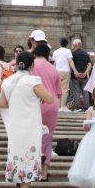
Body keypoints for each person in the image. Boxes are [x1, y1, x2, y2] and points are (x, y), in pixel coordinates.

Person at [0, 51, 55, 188]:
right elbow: (49, 98)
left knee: (17, 154)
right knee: (29, 156)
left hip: (15, 125)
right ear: (32, 65)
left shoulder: (8, 81)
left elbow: (3, 104)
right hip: (30, 125)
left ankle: (19, 186)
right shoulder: (33, 81)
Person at [31, 41, 61, 179]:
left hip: (35, 102)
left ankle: (33, 168)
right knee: (48, 137)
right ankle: (44, 173)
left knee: (32, 136)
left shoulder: (31, 65)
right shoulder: (54, 69)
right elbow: (59, 93)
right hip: (52, 104)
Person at [67, 38, 91, 111]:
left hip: (75, 76)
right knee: (85, 92)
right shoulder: (86, 54)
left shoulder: (72, 54)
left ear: (74, 45)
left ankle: (78, 107)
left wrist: (75, 71)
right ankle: (87, 107)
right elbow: (89, 65)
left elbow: (71, 64)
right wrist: (85, 73)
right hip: (84, 76)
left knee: (76, 91)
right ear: (80, 45)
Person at [52, 37, 73, 109]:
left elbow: (54, 62)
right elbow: (70, 61)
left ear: (60, 43)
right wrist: (75, 70)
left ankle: (58, 105)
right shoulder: (68, 51)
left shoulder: (56, 51)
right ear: (67, 44)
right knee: (65, 89)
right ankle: (63, 105)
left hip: (57, 71)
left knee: (57, 88)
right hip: (66, 71)